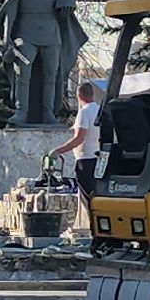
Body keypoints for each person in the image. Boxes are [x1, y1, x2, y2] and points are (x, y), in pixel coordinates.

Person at [47, 81, 103, 219]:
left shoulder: (84, 112)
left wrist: (58, 151)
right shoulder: (99, 110)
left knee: (88, 199)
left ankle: (94, 229)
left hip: (86, 160)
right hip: (97, 158)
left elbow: (79, 138)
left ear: (79, 95)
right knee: (96, 197)